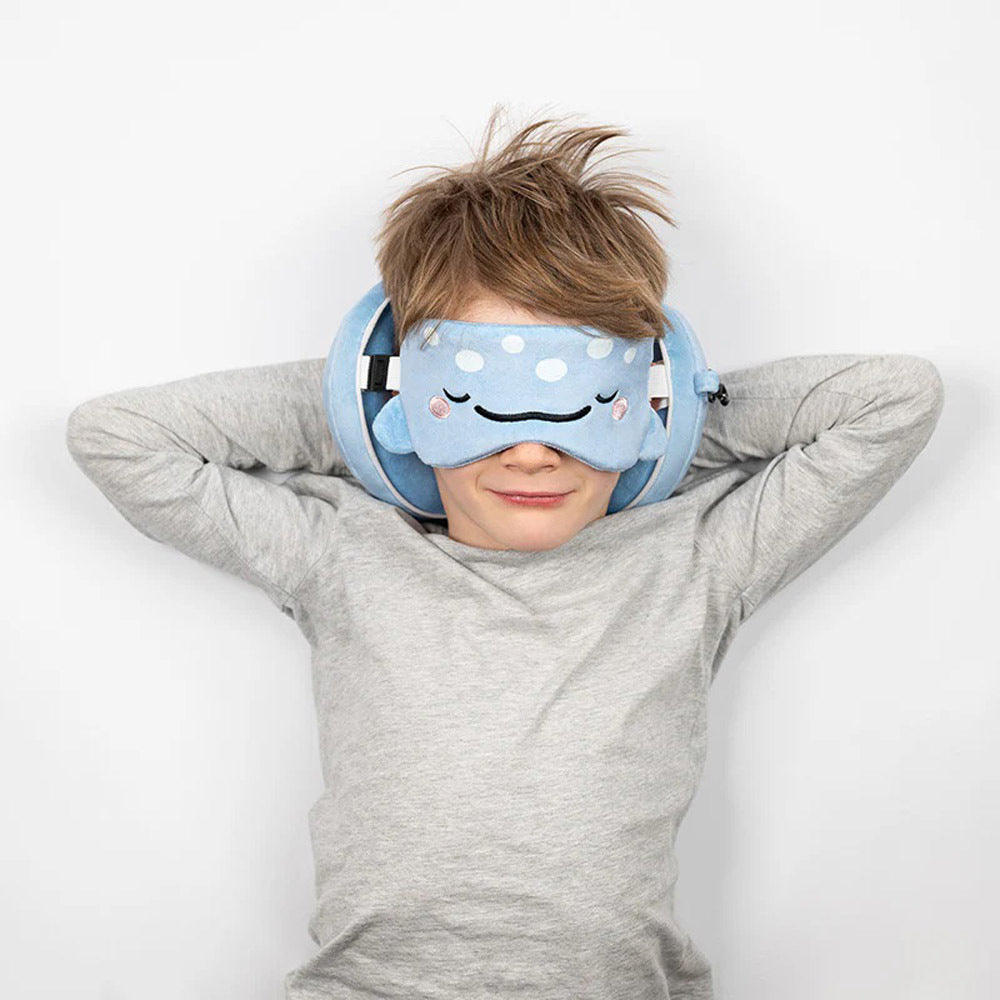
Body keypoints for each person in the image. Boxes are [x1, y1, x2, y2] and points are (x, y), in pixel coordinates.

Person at [64, 107, 945, 999]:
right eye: (480, 402)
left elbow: (892, 401)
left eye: (580, 404)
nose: (531, 452)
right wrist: (367, 416)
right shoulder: (340, 551)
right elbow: (119, 439)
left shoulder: (697, 557)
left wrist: (666, 424)